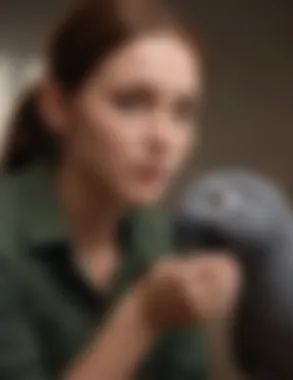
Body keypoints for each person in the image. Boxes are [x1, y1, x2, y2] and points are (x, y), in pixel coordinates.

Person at [0, 1, 241, 379]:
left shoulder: (164, 240)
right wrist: (143, 317)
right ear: (56, 106)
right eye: (131, 103)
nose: (163, 138)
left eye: (183, 112)